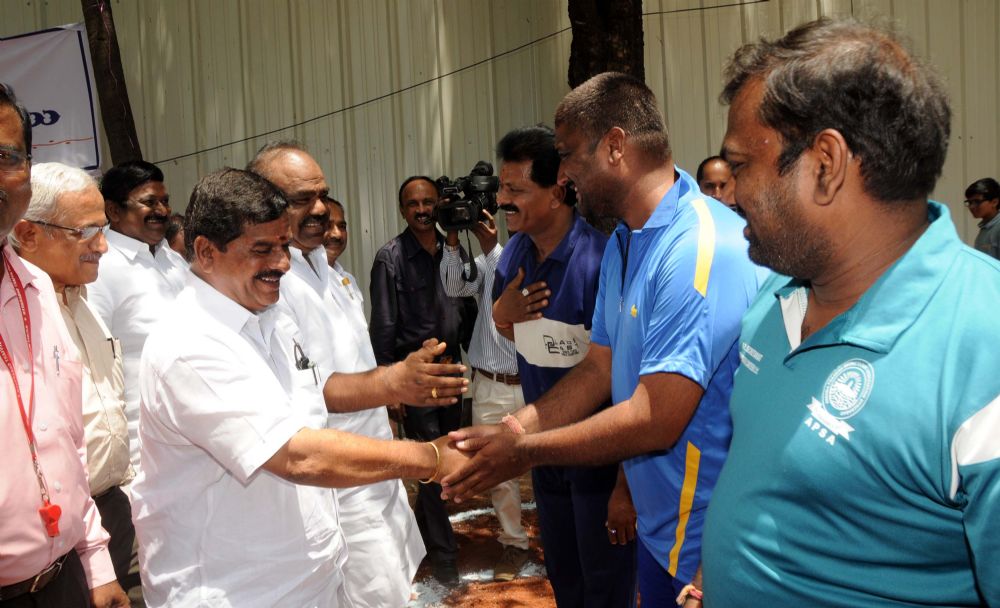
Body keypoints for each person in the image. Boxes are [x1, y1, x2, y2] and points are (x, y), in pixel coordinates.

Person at [695, 18, 1000, 607]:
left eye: (742, 167)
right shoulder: (777, 295)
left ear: (826, 164)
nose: (730, 194)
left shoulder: (983, 350)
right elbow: (760, 473)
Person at [441, 74, 760, 608]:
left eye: (568, 154)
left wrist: (522, 451)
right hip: (661, 532)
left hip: (707, 546)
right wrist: (513, 431)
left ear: (615, 146)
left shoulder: (698, 249)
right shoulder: (625, 241)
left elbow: (655, 416)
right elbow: (598, 369)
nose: (563, 173)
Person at [131, 168, 471, 608]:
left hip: (304, 575)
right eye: (263, 249)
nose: (282, 263)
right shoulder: (191, 343)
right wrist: (431, 457)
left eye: (283, 246)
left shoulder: (269, 318)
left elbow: (315, 394)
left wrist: (392, 383)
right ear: (206, 252)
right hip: (235, 590)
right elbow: (296, 454)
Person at [248, 141, 424, 608]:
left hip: (375, 464)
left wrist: (386, 402)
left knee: (393, 586)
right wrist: (393, 383)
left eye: (322, 195)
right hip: (336, 482)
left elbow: (352, 362)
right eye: (302, 199)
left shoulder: (327, 269)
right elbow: (311, 391)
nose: (321, 209)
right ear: (262, 203)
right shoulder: (270, 284)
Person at [487, 124, 634, 605]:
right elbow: (520, 335)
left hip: (598, 457)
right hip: (544, 454)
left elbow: (625, 377)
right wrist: (501, 316)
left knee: (605, 584)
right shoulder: (513, 255)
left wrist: (625, 484)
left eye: (515, 190)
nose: (502, 201)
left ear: (557, 191)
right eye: (501, 187)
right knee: (565, 578)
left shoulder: (602, 261)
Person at [0, 83, 129, 607]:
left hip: (64, 570)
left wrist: (96, 561)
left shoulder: (42, 294)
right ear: (31, 234)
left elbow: (66, 441)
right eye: (85, 231)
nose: (102, 246)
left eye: (8, 157)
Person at [369, 175, 477, 585]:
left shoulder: (455, 250)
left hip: (452, 372)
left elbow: (467, 307)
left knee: (446, 457)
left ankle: (418, 535)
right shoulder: (390, 258)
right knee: (432, 461)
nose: (421, 210)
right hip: (415, 379)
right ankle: (445, 555)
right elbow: (383, 325)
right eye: (413, 204)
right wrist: (388, 386)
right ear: (402, 209)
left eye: (428, 202)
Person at [440, 207, 530, 581]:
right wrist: (452, 240)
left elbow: (508, 274)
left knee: (551, 467)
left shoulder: (534, 261)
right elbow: (453, 286)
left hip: (535, 385)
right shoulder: (486, 261)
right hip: (491, 384)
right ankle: (514, 543)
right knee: (498, 472)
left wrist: (492, 247)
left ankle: (560, 541)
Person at [87, 160, 186, 471]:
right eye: (149, 202)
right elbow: (94, 364)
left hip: (190, 435)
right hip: (139, 446)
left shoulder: (173, 260)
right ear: (114, 211)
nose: (162, 211)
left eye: (165, 201)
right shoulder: (100, 267)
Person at [964, 177, 1000, 260]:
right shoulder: (985, 228)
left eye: (977, 201)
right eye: (969, 202)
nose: (971, 206)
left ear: (994, 202)